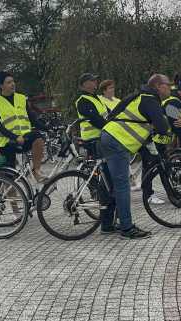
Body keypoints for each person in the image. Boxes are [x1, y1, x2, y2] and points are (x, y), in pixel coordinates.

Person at [100, 74, 170, 239]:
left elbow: (117, 115)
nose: (170, 88)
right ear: (159, 86)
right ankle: (127, 228)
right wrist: (166, 124)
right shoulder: (149, 99)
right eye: (168, 85)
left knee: (110, 184)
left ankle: (107, 224)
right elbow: (161, 127)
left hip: (109, 136)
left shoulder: (139, 95)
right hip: (117, 142)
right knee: (122, 186)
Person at [75, 73, 116, 234]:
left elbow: (107, 115)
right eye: (92, 81)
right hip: (94, 141)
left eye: (95, 80)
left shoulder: (97, 98)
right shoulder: (82, 101)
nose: (95, 82)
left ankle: (110, 220)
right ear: (84, 84)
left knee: (108, 179)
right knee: (106, 181)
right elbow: (95, 120)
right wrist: (112, 128)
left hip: (103, 139)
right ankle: (106, 223)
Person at [0, 71, 47, 182]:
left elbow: (32, 119)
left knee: (38, 138)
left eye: (13, 81)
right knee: (9, 176)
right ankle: (10, 198)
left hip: (24, 137)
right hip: (6, 142)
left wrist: (48, 128)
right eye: (9, 82)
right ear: (1, 86)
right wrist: (14, 137)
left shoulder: (21, 98)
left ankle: (36, 171)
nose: (13, 84)